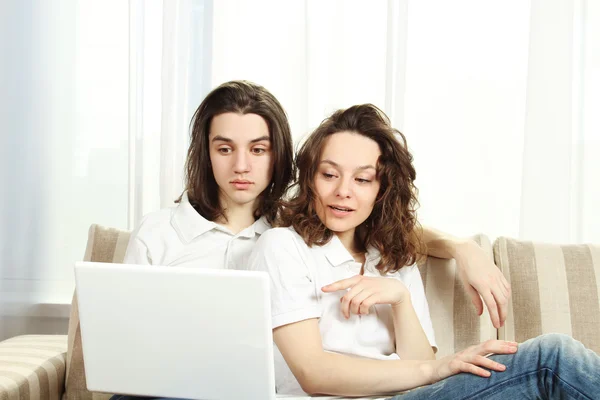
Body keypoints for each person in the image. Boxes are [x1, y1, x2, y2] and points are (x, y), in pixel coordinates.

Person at [110, 81, 511, 400]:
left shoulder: (293, 224)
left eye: (258, 149)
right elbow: (125, 346)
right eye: (225, 148)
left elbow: (381, 228)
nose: (242, 166)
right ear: (206, 152)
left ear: (278, 155)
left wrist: (463, 248)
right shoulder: (160, 234)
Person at [247, 104, 600, 399]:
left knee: (552, 362)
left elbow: (422, 373)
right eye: (329, 174)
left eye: (363, 179)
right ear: (310, 178)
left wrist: (400, 299)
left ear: (382, 189)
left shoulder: (391, 257)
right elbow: (313, 372)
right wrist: (437, 366)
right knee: (551, 359)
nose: (343, 191)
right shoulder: (283, 246)